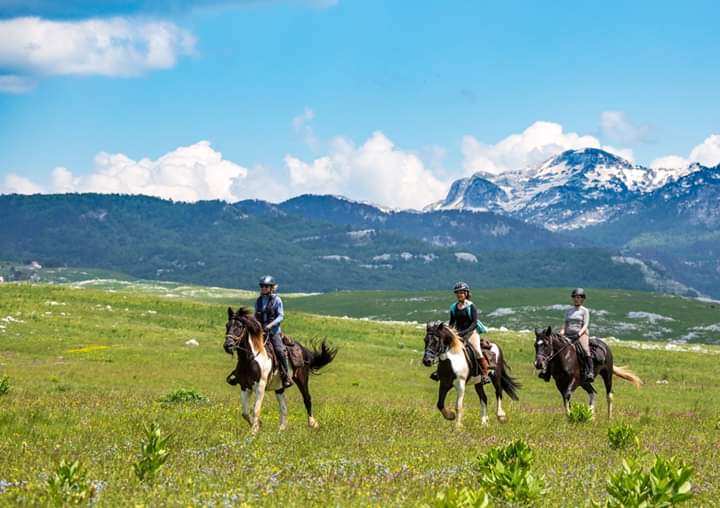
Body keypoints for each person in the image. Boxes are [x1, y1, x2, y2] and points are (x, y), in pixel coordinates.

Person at [430, 281, 490, 384]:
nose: (459, 294)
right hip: (457, 333)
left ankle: (485, 374)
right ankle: (439, 371)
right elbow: (452, 322)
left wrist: (465, 332)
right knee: (445, 348)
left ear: (466, 293)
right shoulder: (453, 307)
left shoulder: (471, 306)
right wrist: (449, 332)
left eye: (461, 292)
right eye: (457, 292)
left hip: (471, 333)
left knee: (477, 351)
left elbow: (474, 323)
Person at [255, 275, 293, 387]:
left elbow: (281, 316)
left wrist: (270, 325)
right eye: (262, 286)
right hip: (260, 332)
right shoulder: (259, 301)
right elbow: (255, 315)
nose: (263, 288)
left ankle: (286, 376)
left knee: (280, 350)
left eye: (266, 286)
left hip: (273, 332)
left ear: (271, 288)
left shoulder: (277, 300)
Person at [559, 287, 594, 382]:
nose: (576, 299)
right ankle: (547, 371)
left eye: (578, 297)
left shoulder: (584, 311)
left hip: (581, 334)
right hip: (568, 334)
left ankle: (590, 371)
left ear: (582, 299)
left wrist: (579, 334)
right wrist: (562, 331)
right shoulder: (568, 311)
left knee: (585, 349)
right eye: (575, 297)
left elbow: (586, 324)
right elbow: (565, 323)